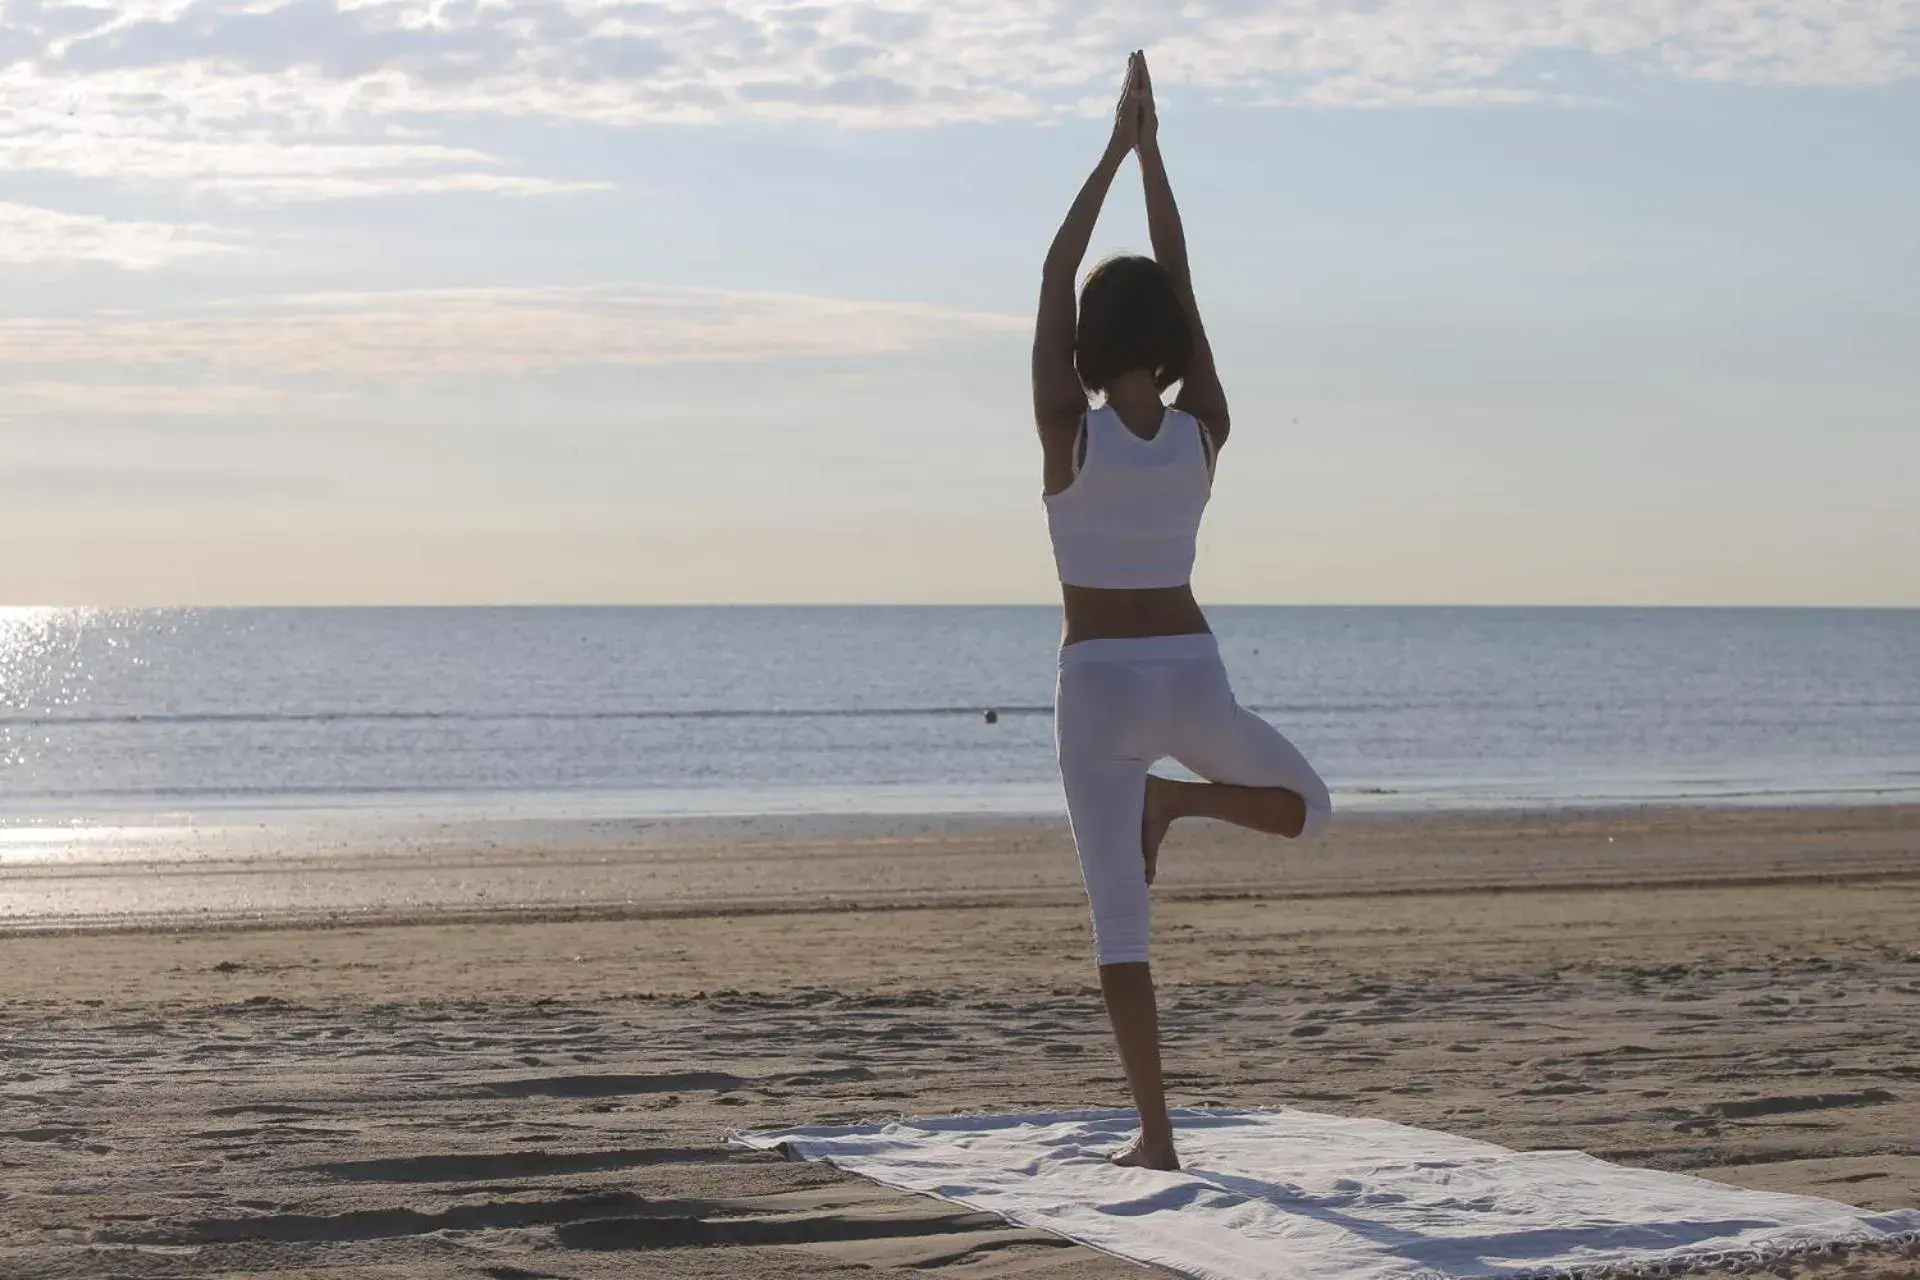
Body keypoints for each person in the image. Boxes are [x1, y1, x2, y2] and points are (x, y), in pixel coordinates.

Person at [1035, 51, 1334, 1172]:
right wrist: (1157, 155)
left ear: (1085, 346)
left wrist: (1112, 149)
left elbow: (1058, 270)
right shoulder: (1205, 423)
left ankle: (1156, 1134)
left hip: (1100, 683)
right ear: (1166, 343)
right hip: (1193, 671)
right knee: (1311, 808)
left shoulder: (1065, 425)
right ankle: (1179, 802)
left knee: (1121, 922)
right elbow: (1184, 282)